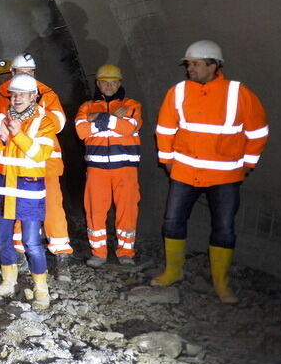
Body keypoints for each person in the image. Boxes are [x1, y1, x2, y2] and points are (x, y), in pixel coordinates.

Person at [152, 40, 268, 303]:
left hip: (224, 176)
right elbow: (165, 129)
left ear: (214, 65)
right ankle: (173, 271)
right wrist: (168, 160)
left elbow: (258, 131)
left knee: (224, 228)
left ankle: (221, 284)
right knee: (172, 221)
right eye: (188, 64)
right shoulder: (178, 92)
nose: (189, 69)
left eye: (195, 64)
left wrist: (248, 164)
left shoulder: (238, 93)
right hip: (184, 172)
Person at [0, 74, 57, 309]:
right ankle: (8, 281)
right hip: (4, 186)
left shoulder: (44, 121)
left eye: (23, 94)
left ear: (34, 96)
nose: (17, 98)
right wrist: (2, 139)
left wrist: (18, 135)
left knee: (31, 242)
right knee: (2, 238)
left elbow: (42, 154)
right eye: (14, 94)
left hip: (28, 188)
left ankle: (41, 289)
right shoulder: (1, 118)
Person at [0, 53, 73, 274]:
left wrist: (35, 114)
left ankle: (61, 253)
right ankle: (19, 255)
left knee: (53, 207)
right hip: (14, 165)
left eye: (30, 73)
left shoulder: (47, 95)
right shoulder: (2, 98)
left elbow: (58, 124)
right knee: (16, 211)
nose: (26, 76)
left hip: (45, 161)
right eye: (21, 73)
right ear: (12, 74)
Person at [75, 64, 142, 267]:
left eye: (113, 82)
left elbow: (129, 127)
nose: (109, 86)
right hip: (97, 169)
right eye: (104, 82)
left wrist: (96, 120)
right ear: (98, 83)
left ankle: (126, 252)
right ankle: (99, 253)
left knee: (127, 210)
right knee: (95, 210)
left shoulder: (132, 105)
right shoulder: (86, 106)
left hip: (126, 169)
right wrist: (112, 118)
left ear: (119, 83)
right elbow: (80, 131)